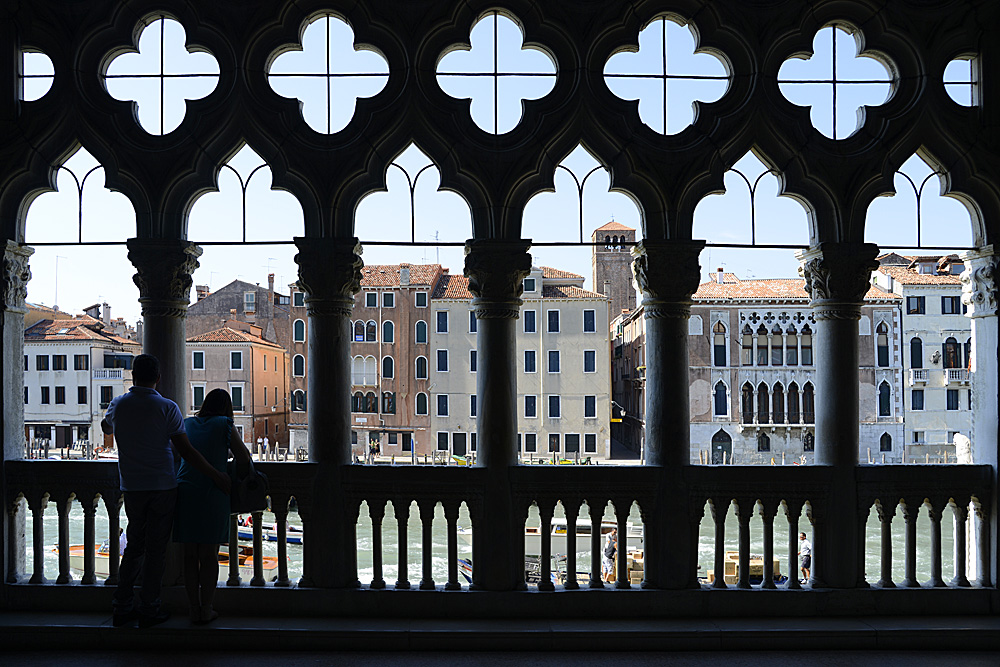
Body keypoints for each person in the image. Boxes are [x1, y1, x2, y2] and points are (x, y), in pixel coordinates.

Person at [102, 354, 230, 629]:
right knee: (156, 550)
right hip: (162, 485)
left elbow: (105, 427)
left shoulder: (118, 404)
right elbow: (186, 452)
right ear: (158, 378)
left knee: (134, 547)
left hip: (132, 486)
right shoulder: (167, 407)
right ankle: (149, 608)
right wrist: (216, 474)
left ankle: (122, 606)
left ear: (133, 375)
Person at [174, 388, 251, 624]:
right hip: (212, 491)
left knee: (189, 555)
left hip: (184, 490)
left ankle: (192, 609)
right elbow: (244, 458)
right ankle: (206, 609)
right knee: (208, 555)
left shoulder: (187, 423)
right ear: (227, 408)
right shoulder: (225, 424)